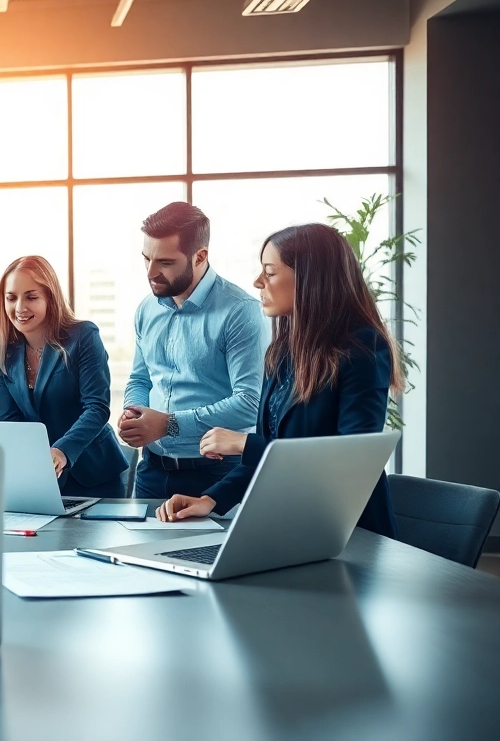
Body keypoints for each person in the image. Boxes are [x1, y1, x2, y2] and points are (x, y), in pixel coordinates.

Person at [157, 223, 401, 539]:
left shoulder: (363, 347)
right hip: (290, 524)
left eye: (270, 273)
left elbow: (349, 460)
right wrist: (210, 500)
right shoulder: (284, 349)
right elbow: (263, 456)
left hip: (349, 531)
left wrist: (243, 443)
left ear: (310, 279)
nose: (258, 281)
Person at [119, 202, 267, 500]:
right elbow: (140, 379)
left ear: (200, 257)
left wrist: (168, 424)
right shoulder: (147, 308)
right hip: (151, 472)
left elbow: (250, 402)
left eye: (165, 262)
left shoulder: (241, 312)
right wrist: (133, 413)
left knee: (210, 550)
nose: (151, 272)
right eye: (146, 259)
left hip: (218, 473)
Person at [0, 256, 127, 497]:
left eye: (31, 297)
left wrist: (62, 451)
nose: (20, 307)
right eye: (11, 298)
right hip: (41, 481)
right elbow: (10, 420)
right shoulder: (5, 354)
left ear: (50, 298)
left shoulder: (83, 336)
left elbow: (97, 408)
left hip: (94, 474)